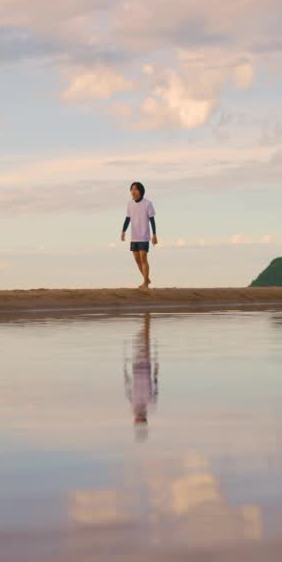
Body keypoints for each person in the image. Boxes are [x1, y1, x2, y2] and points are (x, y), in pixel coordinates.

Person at [124, 313, 159, 442]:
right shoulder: (150, 403)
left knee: (140, 343)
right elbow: (155, 384)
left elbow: (127, 386)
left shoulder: (134, 405)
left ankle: (145, 320)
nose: (137, 417)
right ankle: (145, 320)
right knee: (143, 343)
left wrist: (125, 369)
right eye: (139, 419)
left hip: (137, 368)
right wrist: (156, 367)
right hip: (145, 367)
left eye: (137, 419)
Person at [120, 181, 158, 289]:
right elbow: (127, 219)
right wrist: (123, 231)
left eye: (135, 189)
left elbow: (152, 220)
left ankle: (145, 283)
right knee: (137, 260)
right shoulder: (130, 204)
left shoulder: (148, 203)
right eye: (131, 189)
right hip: (134, 236)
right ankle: (147, 279)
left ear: (140, 191)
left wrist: (154, 234)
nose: (133, 191)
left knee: (143, 258)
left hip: (144, 236)